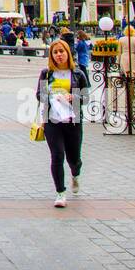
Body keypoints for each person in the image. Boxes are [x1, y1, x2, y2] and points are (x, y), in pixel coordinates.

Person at [36, 39, 89, 208]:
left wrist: (73, 97)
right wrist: (50, 96)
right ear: (51, 55)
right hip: (52, 121)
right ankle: (60, 193)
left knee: (74, 158)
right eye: (55, 52)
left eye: (62, 51)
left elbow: (86, 97)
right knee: (57, 156)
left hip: (73, 121)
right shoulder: (46, 74)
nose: (59, 55)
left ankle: (75, 173)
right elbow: (39, 95)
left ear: (68, 53)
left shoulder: (78, 73)